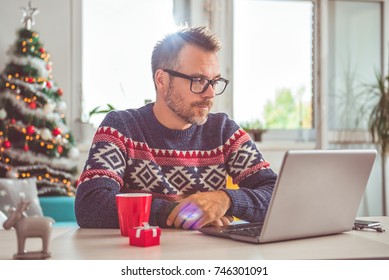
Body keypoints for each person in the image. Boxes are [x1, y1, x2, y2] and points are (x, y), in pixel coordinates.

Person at [75, 26, 277, 230]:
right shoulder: (121, 127)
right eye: (198, 80)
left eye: (214, 82)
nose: (210, 94)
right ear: (162, 80)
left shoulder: (224, 131)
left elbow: (277, 195)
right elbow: (90, 205)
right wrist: (181, 212)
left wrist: (224, 200)